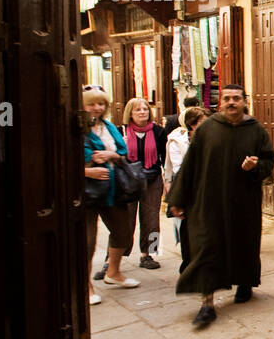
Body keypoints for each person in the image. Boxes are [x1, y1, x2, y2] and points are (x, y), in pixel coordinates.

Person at [167, 84, 274, 328]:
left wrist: (255, 165)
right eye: (226, 98)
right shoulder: (207, 128)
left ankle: (245, 283)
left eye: (236, 98)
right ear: (220, 102)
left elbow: (269, 160)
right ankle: (207, 304)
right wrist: (177, 199)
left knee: (243, 243)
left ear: (245, 102)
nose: (231, 103)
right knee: (207, 248)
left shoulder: (255, 130)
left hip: (243, 201)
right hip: (208, 202)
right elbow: (190, 165)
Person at [82, 87, 138, 304]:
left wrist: (112, 155)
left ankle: (113, 272)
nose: (98, 108)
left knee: (123, 231)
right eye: (92, 104)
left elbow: (122, 152)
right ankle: (85, 285)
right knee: (87, 240)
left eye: (101, 104)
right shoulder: (78, 128)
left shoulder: (107, 127)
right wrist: (87, 171)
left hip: (114, 188)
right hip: (88, 191)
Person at [121, 97, 167, 271]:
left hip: (152, 179)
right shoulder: (122, 131)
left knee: (152, 219)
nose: (142, 112)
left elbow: (164, 158)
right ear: (130, 113)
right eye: (138, 110)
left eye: (145, 109)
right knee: (125, 219)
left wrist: (167, 181)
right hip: (128, 180)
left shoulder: (159, 132)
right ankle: (116, 255)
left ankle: (149, 254)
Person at [164, 106, 206, 254]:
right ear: (192, 124)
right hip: (187, 189)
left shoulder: (210, 140)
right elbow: (179, 169)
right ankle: (152, 252)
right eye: (202, 122)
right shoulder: (177, 142)